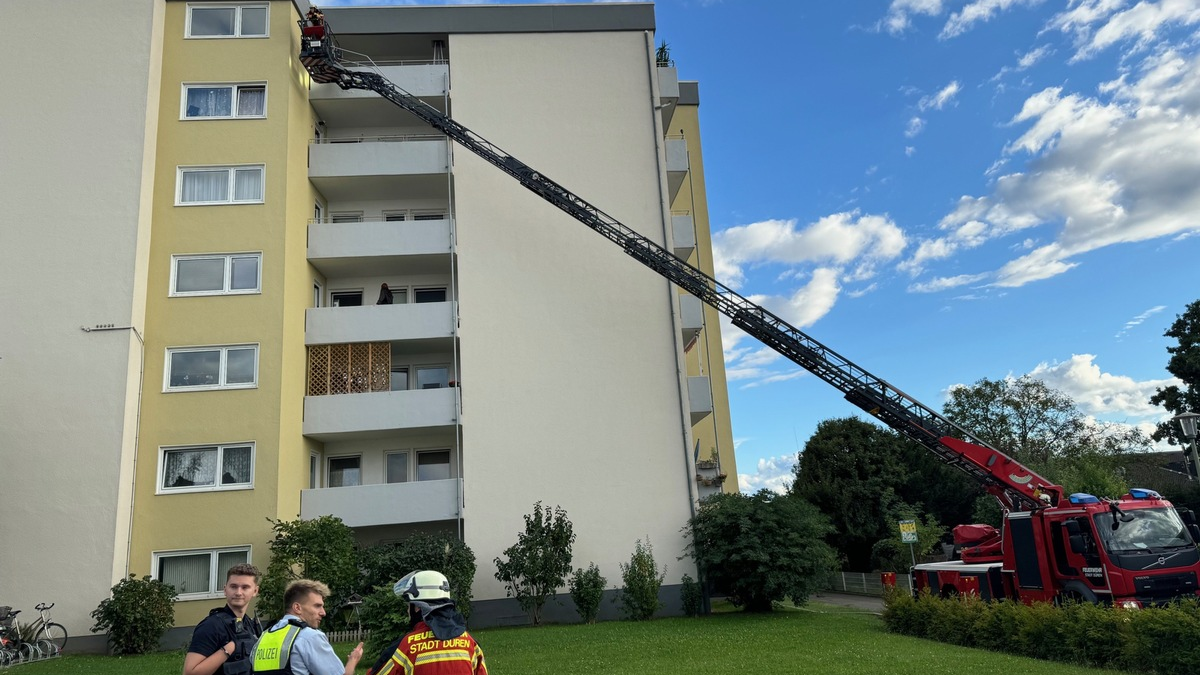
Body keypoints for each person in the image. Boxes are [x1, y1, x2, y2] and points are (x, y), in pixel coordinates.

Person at [365, 570, 487, 675]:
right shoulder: (469, 643)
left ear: (417, 607)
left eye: (409, 606)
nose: (407, 611)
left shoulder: (407, 646)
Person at [252, 579, 363, 675]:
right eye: (317, 606)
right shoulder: (309, 636)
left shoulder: (263, 638)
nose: (323, 613)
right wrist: (353, 661)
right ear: (297, 608)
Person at [184, 563, 264, 675]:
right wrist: (230, 647)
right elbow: (190, 672)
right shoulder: (212, 625)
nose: (238, 592)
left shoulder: (250, 625)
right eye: (233, 587)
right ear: (225, 589)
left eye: (245, 587)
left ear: (255, 591)